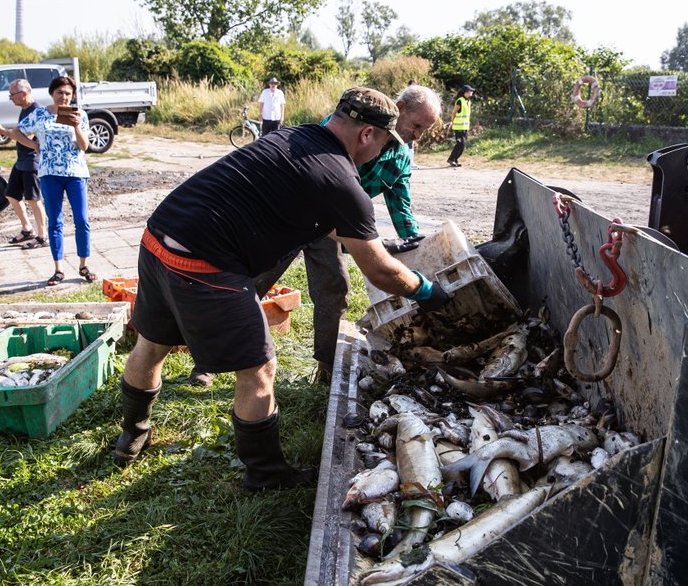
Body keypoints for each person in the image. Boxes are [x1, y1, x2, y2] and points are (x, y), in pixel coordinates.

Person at [114, 87, 450, 490]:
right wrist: (430, 292)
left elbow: (306, 211)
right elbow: (381, 273)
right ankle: (266, 474)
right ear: (366, 136)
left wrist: (361, 236)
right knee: (258, 370)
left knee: (151, 346)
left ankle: (132, 436)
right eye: (383, 142)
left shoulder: (293, 136)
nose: (382, 152)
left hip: (159, 236)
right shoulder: (343, 180)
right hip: (205, 263)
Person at [187, 84, 443, 388]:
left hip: (336, 225)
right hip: (294, 215)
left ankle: (327, 370)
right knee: (251, 283)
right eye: (416, 126)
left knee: (334, 290)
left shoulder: (401, 154)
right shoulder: (347, 124)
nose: (418, 135)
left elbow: (400, 199)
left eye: (424, 130)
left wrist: (413, 242)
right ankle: (208, 360)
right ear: (399, 108)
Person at [7, 76, 97, 286]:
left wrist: (75, 126)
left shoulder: (80, 115)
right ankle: (58, 269)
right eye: (60, 93)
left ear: (72, 95)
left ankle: (83, 265)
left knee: (82, 220)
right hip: (49, 173)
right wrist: (35, 146)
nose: (64, 97)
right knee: (55, 222)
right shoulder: (40, 114)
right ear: (52, 94)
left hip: (75, 173)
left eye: (67, 93)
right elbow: (17, 132)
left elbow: (84, 146)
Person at [0, 79, 47, 250]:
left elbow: (26, 137)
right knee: (11, 195)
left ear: (23, 94)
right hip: (21, 160)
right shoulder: (24, 109)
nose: (10, 98)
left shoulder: (36, 111)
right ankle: (27, 229)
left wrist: (2, 131)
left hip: (32, 161)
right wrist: (5, 131)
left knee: (33, 200)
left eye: (12, 95)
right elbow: (18, 133)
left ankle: (42, 236)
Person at [447, 84, 474, 167]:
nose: (472, 92)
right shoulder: (460, 100)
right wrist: (452, 122)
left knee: (463, 145)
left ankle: (455, 159)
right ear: (465, 92)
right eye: (470, 91)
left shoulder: (468, 101)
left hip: (465, 127)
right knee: (460, 144)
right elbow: (454, 112)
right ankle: (451, 159)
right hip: (458, 127)